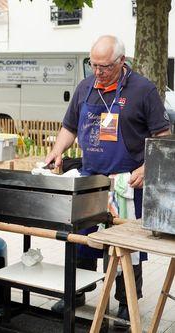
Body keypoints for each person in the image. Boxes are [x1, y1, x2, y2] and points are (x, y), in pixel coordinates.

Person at [45, 35, 171, 328]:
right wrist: (57, 150)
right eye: (94, 65)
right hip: (91, 180)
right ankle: (77, 293)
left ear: (121, 62)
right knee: (82, 240)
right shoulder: (85, 87)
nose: (98, 72)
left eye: (105, 67)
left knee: (125, 248)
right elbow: (70, 126)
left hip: (128, 184)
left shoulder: (143, 90)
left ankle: (127, 302)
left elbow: (162, 138)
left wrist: (147, 168)